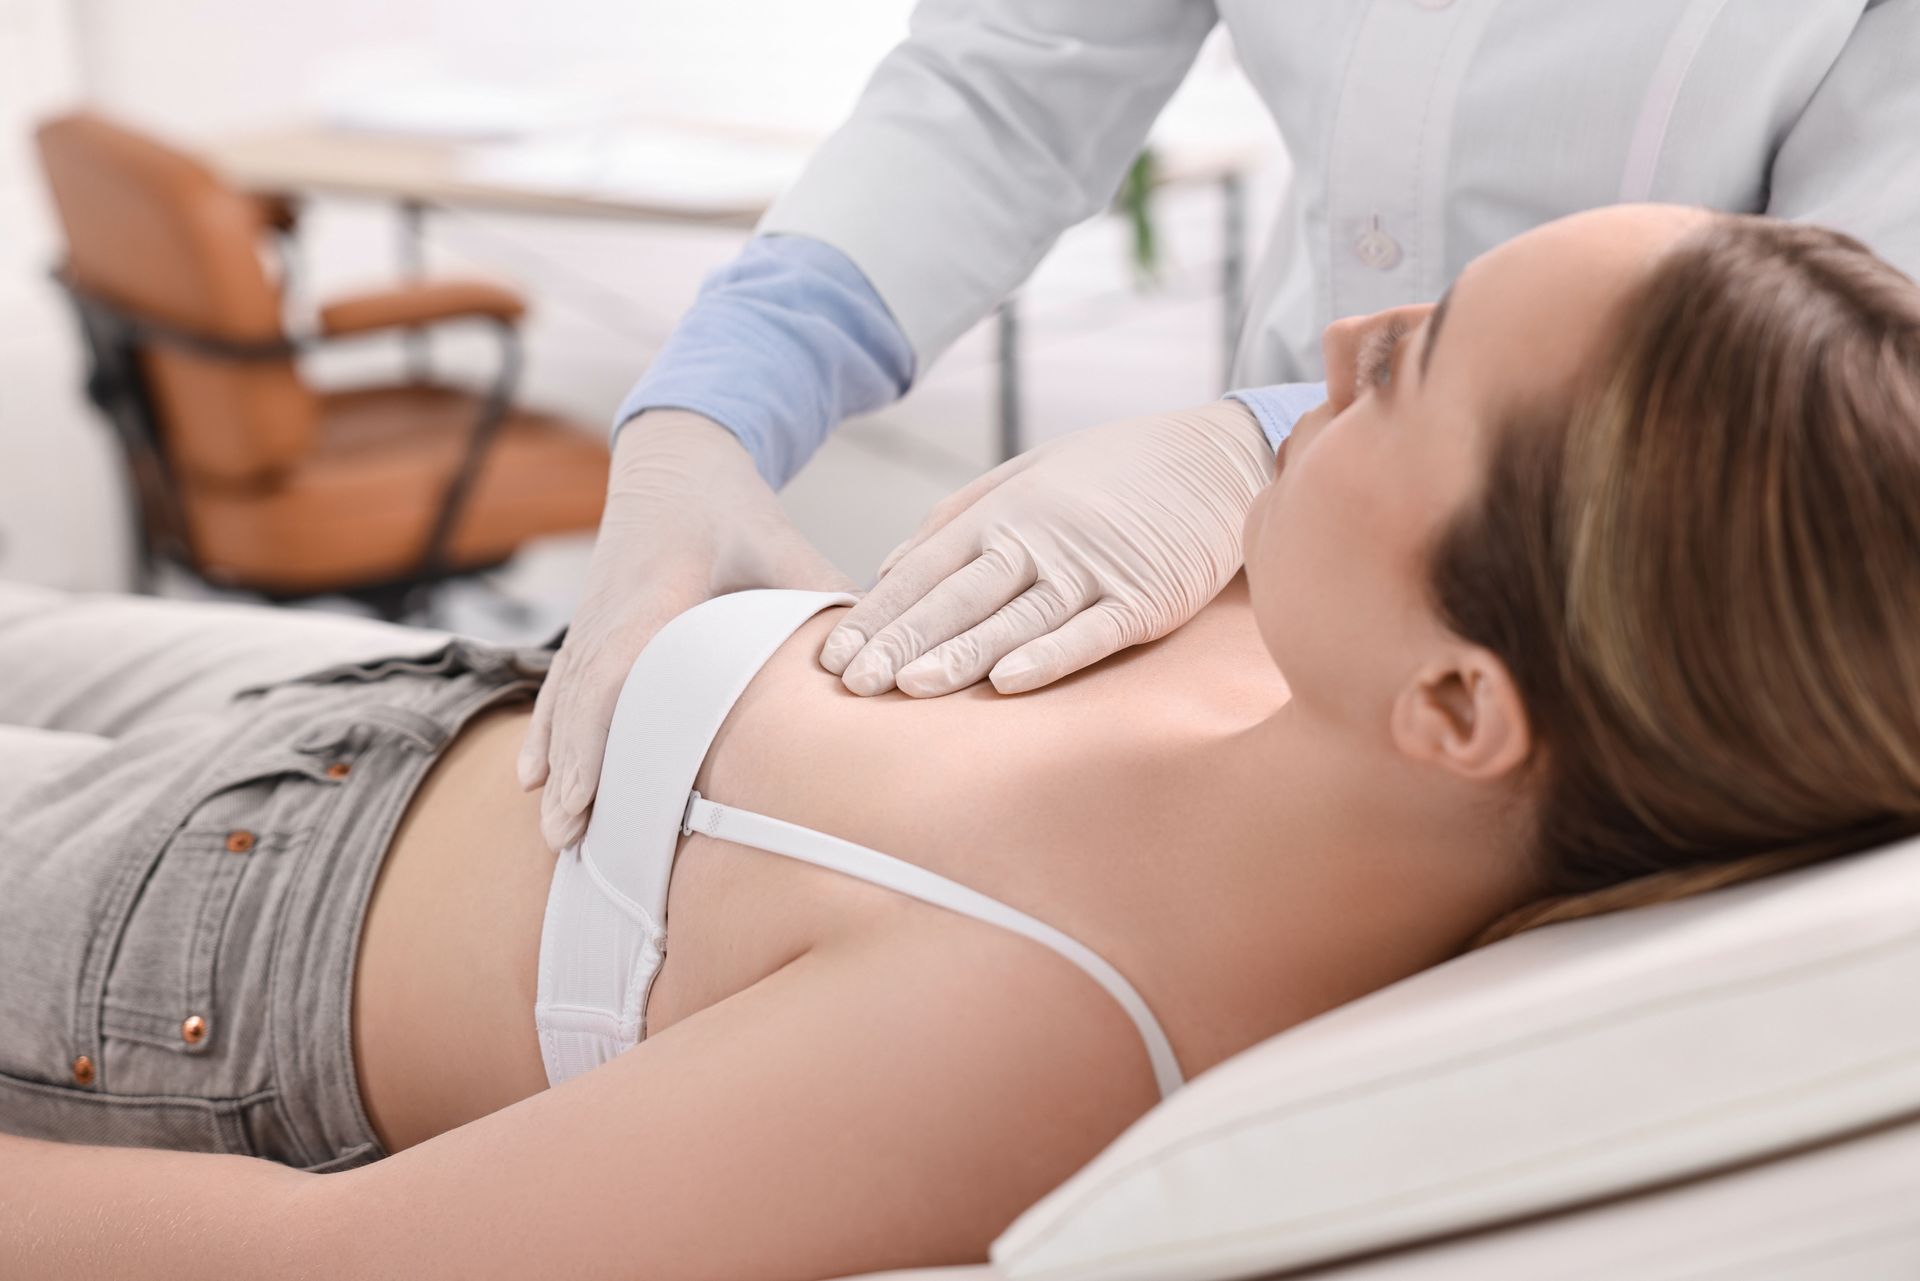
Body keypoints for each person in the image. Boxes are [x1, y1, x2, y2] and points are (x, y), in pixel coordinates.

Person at [6, 205, 1920, 1280]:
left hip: (200, 948)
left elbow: (320, 1265)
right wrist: (701, 436)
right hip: (399, 711)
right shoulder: (1336, 658)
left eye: (1415, 367)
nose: (1343, 341)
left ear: (1461, 704)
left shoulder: (1040, 1021)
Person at [520, 0, 1920, 853]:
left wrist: (1262, 435)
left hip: (1614, 617)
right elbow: (1009, 78)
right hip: (1319, 532)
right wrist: (713, 401)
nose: (1349, 346)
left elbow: (1847, 388)